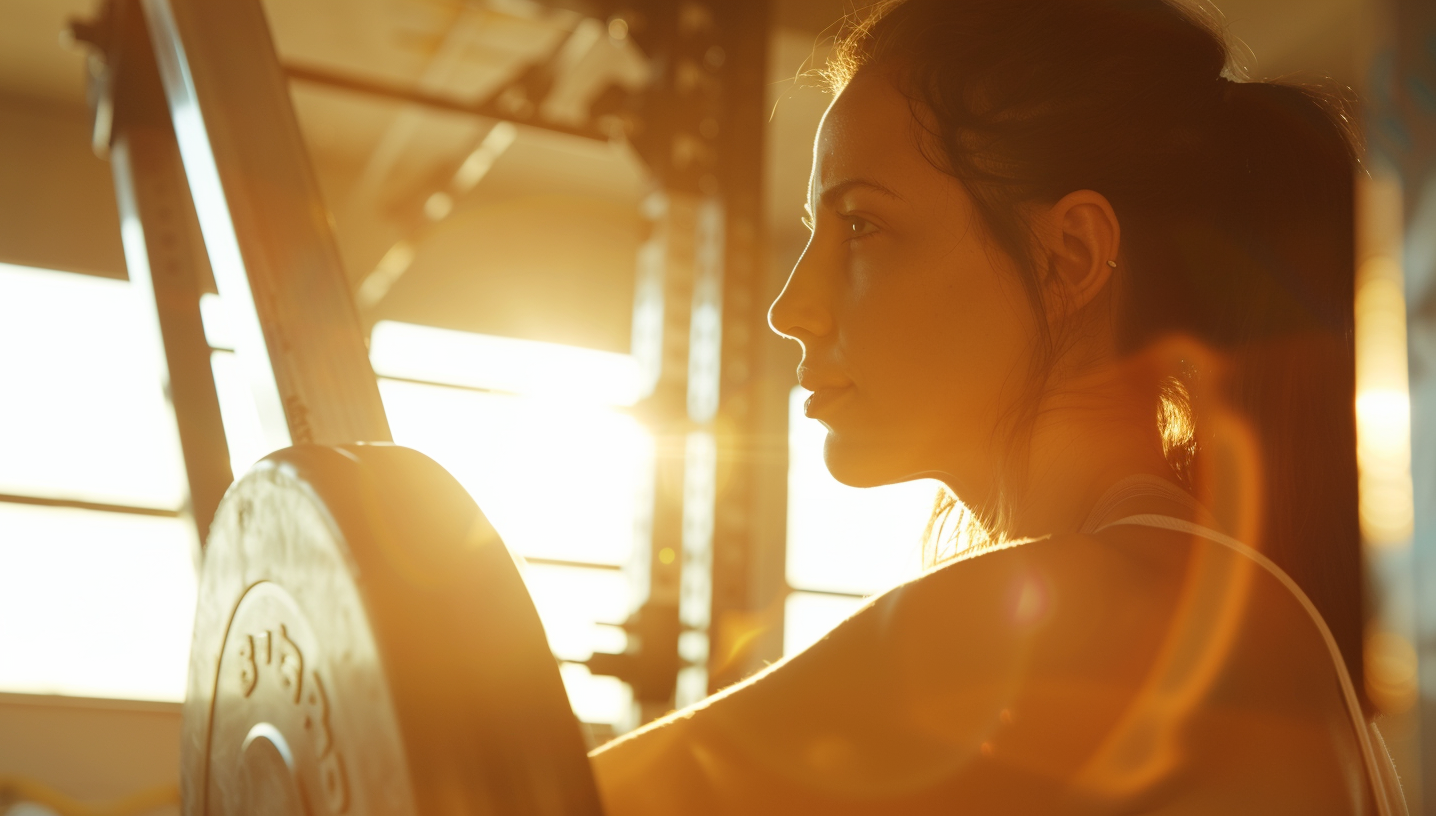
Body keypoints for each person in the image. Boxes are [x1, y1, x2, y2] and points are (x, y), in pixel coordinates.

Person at [590, 0, 1404, 812]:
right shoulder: (1194, 601)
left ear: (1070, 257)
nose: (790, 306)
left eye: (862, 224)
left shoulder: (1085, 619)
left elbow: (523, 796)